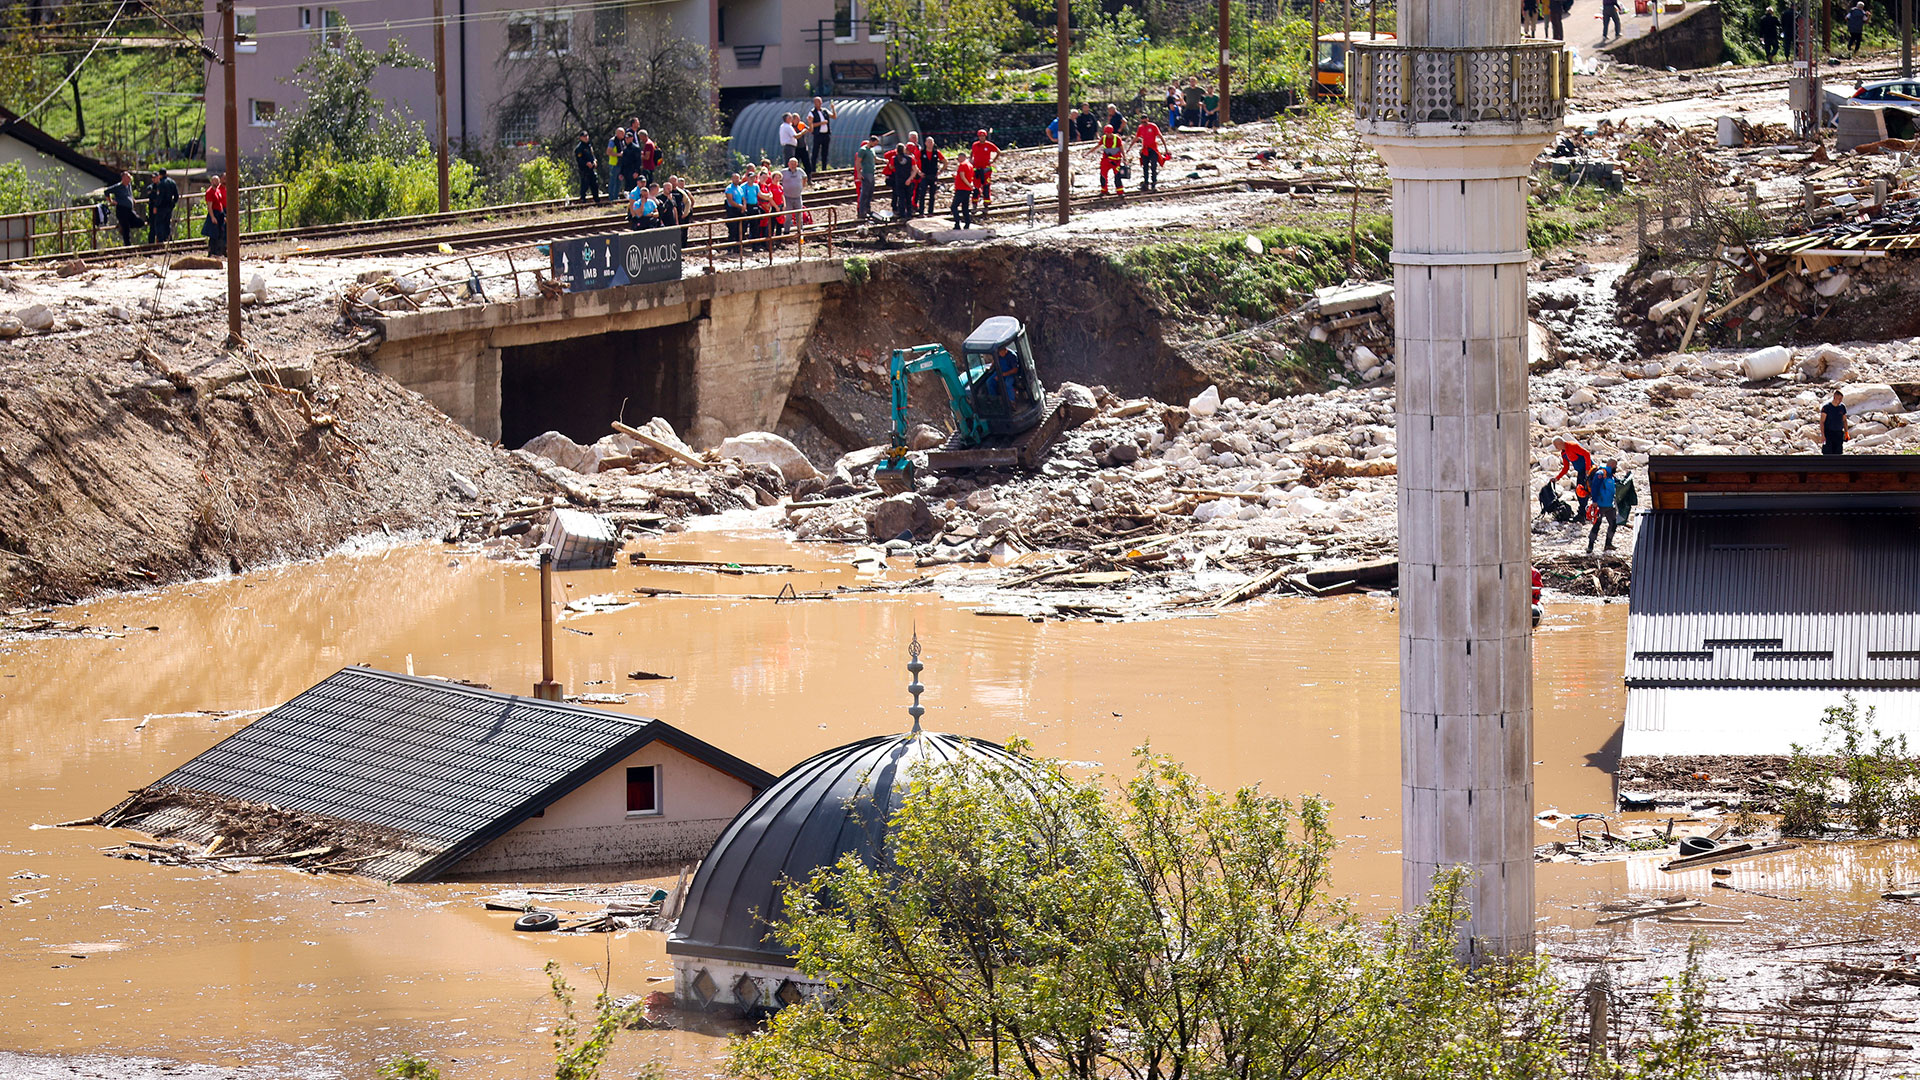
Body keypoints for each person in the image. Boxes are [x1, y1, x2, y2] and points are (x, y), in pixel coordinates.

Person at [1552, 435, 1593, 518]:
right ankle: (1584, 512)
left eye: (1556, 445)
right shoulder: (1563, 453)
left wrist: (1588, 469)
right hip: (1581, 472)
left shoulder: (1572, 446)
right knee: (1580, 492)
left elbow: (1586, 454)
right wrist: (1557, 478)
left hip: (1588, 471)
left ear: (1560, 443)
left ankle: (1583, 514)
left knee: (1583, 492)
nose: (1556, 448)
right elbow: (1566, 468)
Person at [1586, 460, 1619, 554]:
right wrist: (1594, 501)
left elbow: (1617, 484)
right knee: (1597, 524)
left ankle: (1608, 544)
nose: (1616, 468)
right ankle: (1590, 546)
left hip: (1610, 505)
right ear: (1612, 465)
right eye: (1615, 466)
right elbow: (1595, 487)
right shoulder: (1601, 474)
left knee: (1613, 523)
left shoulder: (1611, 475)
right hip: (1600, 505)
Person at [105, 171, 144, 246]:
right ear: (123, 178)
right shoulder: (118, 186)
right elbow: (106, 191)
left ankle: (122, 225)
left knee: (140, 222)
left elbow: (129, 193)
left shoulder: (128, 185)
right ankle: (128, 246)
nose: (130, 179)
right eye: (128, 177)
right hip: (121, 209)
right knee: (126, 230)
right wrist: (111, 201)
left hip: (129, 210)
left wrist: (132, 199)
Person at [147, 168, 178, 244]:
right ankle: (169, 240)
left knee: (159, 224)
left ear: (160, 175)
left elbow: (159, 197)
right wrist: (172, 204)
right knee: (167, 224)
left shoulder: (161, 184)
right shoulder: (172, 182)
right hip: (169, 207)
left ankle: (160, 241)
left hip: (161, 207)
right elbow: (176, 196)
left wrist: (156, 206)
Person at [1095, 124, 1127, 197]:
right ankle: (1104, 190)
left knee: (1117, 175)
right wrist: (1088, 153)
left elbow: (1121, 148)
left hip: (1116, 161)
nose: (1107, 134)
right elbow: (1098, 145)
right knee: (1103, 175)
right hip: (1106, 160)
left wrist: (1124, 157)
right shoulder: (1103, 138)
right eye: (1106, 133)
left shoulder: (1117, 138)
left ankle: (1120, 191)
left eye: (1108, 133)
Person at [968, 130, 998, 208]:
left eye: (983, 136)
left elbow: (998, 152)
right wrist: (971, 159)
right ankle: (974, 203)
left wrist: (993, 160)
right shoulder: (975, 145)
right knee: (976, 187)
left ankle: (987, 203)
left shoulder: (989, 145)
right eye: (980, 136)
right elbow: (972, 152)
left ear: (985, 136)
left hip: (986, 170)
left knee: (986, 186)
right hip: (977, 169)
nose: (982, 138)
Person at [808, 96, 836, 175]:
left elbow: (834, 116)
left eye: (820, 102)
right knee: (815, 152)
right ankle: (813, 169)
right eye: (818, 102)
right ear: (815, 103)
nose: (819, 103)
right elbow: (811, 124)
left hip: (826, 135)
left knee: (825, 152)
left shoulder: (825, 111)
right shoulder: (812, 113)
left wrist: (833, 109)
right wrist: (821, 123)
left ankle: (824, 168)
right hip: (818, 135)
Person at [1135, 115, 1163, 192]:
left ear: (1148, 119)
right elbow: (1136, 137)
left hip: (1153, 149)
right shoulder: (1140, 127)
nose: (1144, 123)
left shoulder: (1153, 126)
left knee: (1153, 166)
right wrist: (1129, 147)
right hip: (1145, 149)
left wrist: (1166, 148)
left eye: (1145, 122)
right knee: (1145, 167)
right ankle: (1146, 183)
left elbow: (1160, 136)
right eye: (1142, 122)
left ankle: (1154, 184)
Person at [573, 132, 603, 204]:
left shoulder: (589, 146)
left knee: (594, 184)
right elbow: (579, 160)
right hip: (584, 170)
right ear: (581, 138)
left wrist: (594, 161)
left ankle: (597, 200)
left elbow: (592, 155)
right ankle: (583, 200)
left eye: (587, 136)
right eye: (584, 136)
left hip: (591, 169)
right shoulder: (579, 148)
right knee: (585, 185)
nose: (586, 138)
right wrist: (586, 163)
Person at [917, 135, 942, 217]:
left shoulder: (936, 152)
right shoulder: (921, 152)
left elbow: (945, 161)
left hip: (933, 176)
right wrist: (919, 172)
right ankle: (921, 212)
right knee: (922, 194)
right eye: (928, 142)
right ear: (925, 143)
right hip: (924, 176)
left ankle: (930, 212)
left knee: (932, 195)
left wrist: (940, 171)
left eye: (931, 142)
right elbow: (914, 162)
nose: (930, 144)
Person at [203, 173, 226, 256]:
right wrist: (212, 217)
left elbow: (220, 203)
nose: (216, 183)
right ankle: (212, 251)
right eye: (215, 181)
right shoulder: (210, 192)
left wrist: (223, 215)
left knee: (221, 232)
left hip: (220, 213)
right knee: (213, 234)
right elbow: (209, 206)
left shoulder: (218, 190)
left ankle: (220, 250)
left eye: (217, 181)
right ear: (211, 182)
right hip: (214, 212)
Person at [855, 136, 878, 221]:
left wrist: (884, 161)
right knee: (864, 193)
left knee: (870, 193)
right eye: (875, 143)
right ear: (871, 141)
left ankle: (868, 210)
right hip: (866, 173)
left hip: (871, 173)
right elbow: (858, 161)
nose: (875, 145)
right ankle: (862, 212)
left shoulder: (872, 150)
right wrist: (859, 173)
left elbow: (875, 159)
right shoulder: (863, 150)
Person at [951, 154, 976, 229]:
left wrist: (969, 185)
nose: (958, 159)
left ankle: (957, 223)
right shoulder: (970, 165)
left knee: (954, 207)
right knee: (965, 207)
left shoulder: (962, 165)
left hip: (961, 189)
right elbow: (968, 176)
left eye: (959, 157)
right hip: (967, 190)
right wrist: (956, 177)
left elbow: (962, 176)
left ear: (962, 157)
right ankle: (967, 223)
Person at [781, 158, 807, 230]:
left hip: (797, 196)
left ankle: (800, 231)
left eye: (794, 164)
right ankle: (786, 231)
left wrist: (802, 186)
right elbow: (776, 177)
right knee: (788, 216)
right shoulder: (783, 172)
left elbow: (805, 177)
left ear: (797, 164)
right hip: (787, 197)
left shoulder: (800, 171)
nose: (793, 165)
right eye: (791, 164)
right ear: (788, 164)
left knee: (799, 215)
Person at [1822, 390, 1849, 454]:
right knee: (1828, 453)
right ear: (1834, 397)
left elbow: (1844, 420)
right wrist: (1823, 435)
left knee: (1838, 453)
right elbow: (1822, 422)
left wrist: (1846, 432)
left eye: (1841, 399)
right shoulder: (1826, 407)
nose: (1840, 401)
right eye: (1839, 399)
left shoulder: (1842, 407)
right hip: (1828, 434)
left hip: (1839, 433)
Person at [723, 171, 746, 242]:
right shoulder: (729, 188)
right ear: (732, 179)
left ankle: (740, 242)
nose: (737, 180)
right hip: (733, 210)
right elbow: (731, 201)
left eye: (738, 178)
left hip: (740, 209)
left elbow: (743, 198)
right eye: (735, 178)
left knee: (743, 226)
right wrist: (740, 206)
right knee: (733, 229)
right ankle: (732, 245)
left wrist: (744, 206)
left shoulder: (740, 188)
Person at [606, 128, 627, 194]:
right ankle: (612, 197)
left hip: (620, 164)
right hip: (614, 164)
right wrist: (619, 154)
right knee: (613, 181)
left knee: (619, 181)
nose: (624, 135)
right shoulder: (612, 141)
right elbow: (608, 152)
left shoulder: (622, 141)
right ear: (618, 133)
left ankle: (616, 196)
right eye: (622, 133)